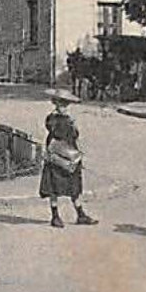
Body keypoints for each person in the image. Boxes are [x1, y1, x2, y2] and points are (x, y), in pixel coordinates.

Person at [41, 90, 98, 228]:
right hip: (56, 153)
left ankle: (80, 214)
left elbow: (74, 135)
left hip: (70, 152)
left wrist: (73, 125)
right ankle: (55, 216)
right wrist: (67, 123)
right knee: (53, 186)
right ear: (56, 103)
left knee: (74, 185)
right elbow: (56, 132)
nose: (64, 107)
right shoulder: (52, 118)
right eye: (61, 104)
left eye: (66, 104)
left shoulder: (69, 119)